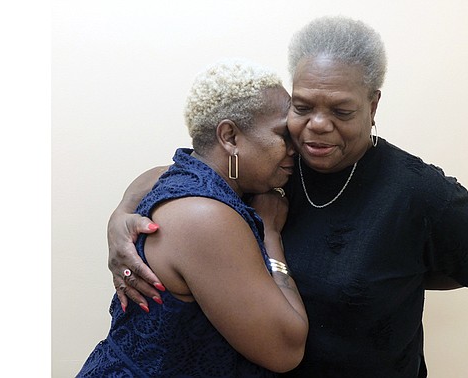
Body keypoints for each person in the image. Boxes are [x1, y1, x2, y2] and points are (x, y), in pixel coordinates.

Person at [106, 16, 468, 377]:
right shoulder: (271, 165)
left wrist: (400, 278)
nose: (317, 126)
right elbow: (183, 173)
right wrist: (121, 217)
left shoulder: (418, 191)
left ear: (373, 105)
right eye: (302, 107)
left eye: (341, 111)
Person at [77, 60, 308, 377]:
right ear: (230, 137)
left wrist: (119, 214)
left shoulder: (183, 178)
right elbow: (285, 350)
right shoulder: (205, 218)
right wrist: (270, 235)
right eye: (283, 134)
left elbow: (155, 173)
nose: (296, 146)